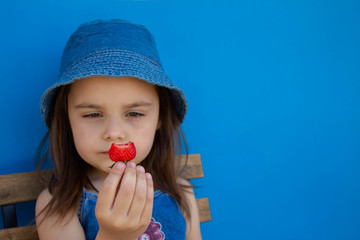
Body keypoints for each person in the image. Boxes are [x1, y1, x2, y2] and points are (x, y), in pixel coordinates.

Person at [35, 19, 202, 240]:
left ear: (160, 117)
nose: (114, 133)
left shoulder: (181, 191)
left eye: (134, 113)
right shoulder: (58, 206)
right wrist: (114, 235)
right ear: (67, 120)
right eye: (93, 114)